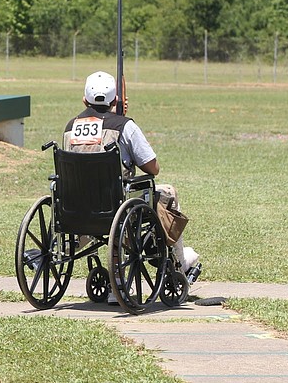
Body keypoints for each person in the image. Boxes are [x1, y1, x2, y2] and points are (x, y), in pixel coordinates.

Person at [64, 71, 200, 302]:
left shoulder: (70, 127)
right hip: (117, 204)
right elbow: (153, 168)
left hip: (76, 207)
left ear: (84, 100)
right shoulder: (124, 126)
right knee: (169, 193)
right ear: (115, 100)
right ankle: (178, 264)